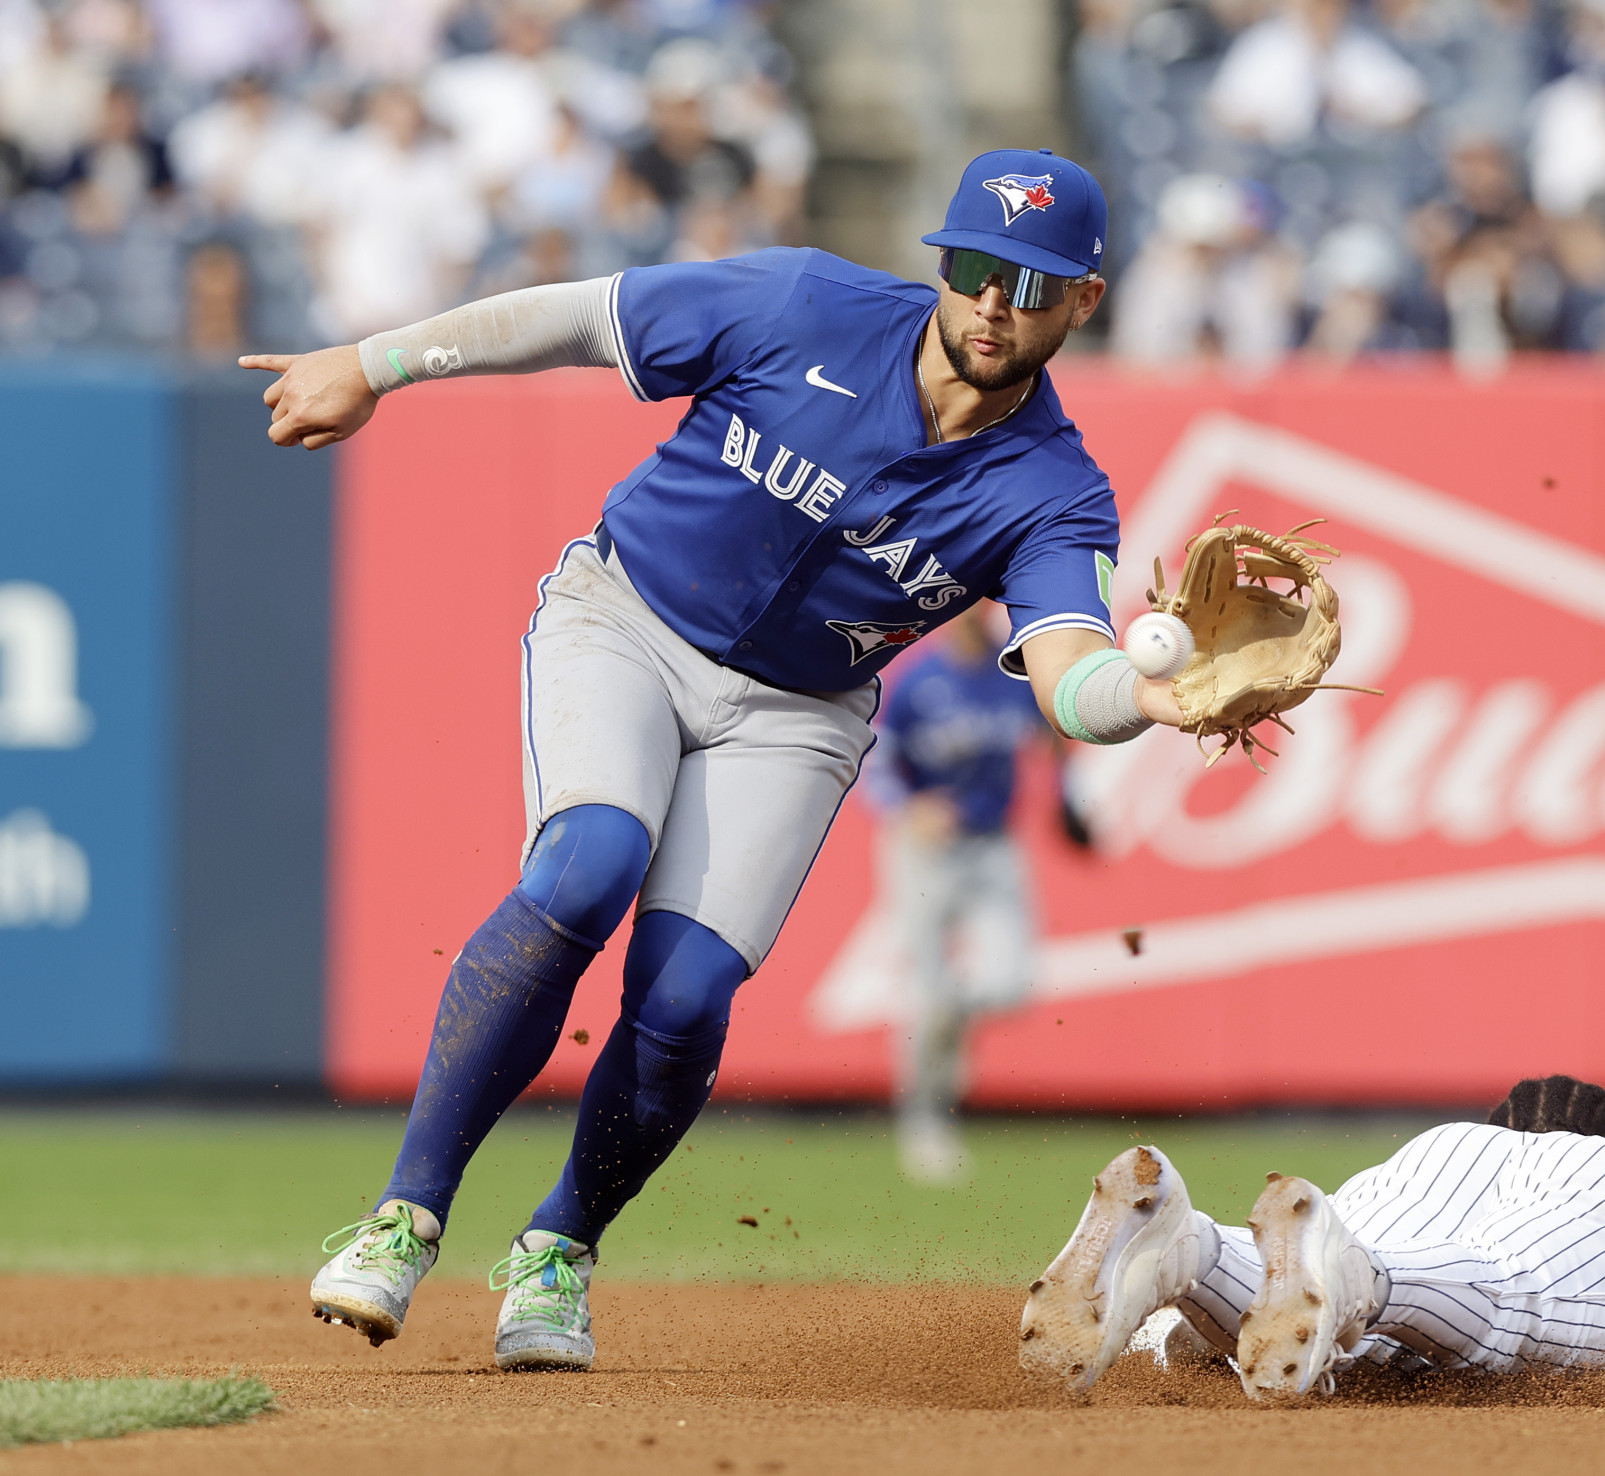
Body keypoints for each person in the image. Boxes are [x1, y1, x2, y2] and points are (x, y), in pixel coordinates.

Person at [243, 148, 1187, 1373]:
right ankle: (404, 1220)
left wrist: (1155, 698)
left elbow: (1071, 675)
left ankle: (559, 1251)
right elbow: (582, 317)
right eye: (972, 267)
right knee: (588, 865)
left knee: (686, 998)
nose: (994, 302)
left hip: (798, 711)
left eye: (1032, 280)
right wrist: (372, 365)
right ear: (939, 265)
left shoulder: (1054, 489)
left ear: (1083, 303)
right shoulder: (803, 303)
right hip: (626, 617)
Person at [1020, 1075, 1605, 1398]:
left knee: (1364, 1323)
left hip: (1432, 1164)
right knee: (1515, 1292)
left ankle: (1194, 1253)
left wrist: (1171, 1343)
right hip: (1583, 1200)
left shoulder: (1449, 1149)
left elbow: (1297, 1273)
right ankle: (1368, 1285)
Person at [862, 604, 1064, 1182]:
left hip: (994, 844)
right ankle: (925, 1121)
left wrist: (1070, 799)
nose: (981, 611)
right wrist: (907, 806)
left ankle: (946, 1012)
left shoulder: (1013, 677)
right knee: (925, 993)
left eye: (989, 602)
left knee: (1008, 983)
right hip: (924, 850)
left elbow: (1050, 738)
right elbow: (874, 756)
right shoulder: (921, 680)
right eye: (972, 601)